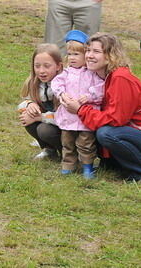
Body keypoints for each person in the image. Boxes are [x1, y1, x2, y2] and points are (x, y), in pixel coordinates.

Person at [60, 33, 141, 182]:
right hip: (137, 136)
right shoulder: (103, 76)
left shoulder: (120, 77)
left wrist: (80, 110)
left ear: (110, 55)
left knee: (106, 132)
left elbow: (116, 120)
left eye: (96, 51)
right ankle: (113, 164)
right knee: (95, 126)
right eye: (87, 50)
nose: (89, 55)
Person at [49, 30, 103, 178]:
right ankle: (68, 164)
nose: (72, 58)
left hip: (85, 117)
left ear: (85, 55)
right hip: (68, 116)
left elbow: (101, 88)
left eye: (76, 54)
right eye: (70, 54)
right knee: (67, 142)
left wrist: (90, 95)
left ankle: (87, 166)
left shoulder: (92, 73)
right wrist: (61, 94)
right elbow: (56, 84)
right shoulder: (66, 73)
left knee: (86, 143)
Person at [18, 43, 63, 159]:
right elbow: (23, 101)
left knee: (44, 130)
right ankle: (49, 150)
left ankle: (67, 153)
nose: (41, 71)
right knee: (27, 117)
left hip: (65, 128)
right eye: (37, 66)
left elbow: (64, 117)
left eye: (47, 66)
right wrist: (29, 104)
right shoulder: (33, 82)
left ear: (58, 66)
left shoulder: (64, 85)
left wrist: (40, 117)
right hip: (48, 119)